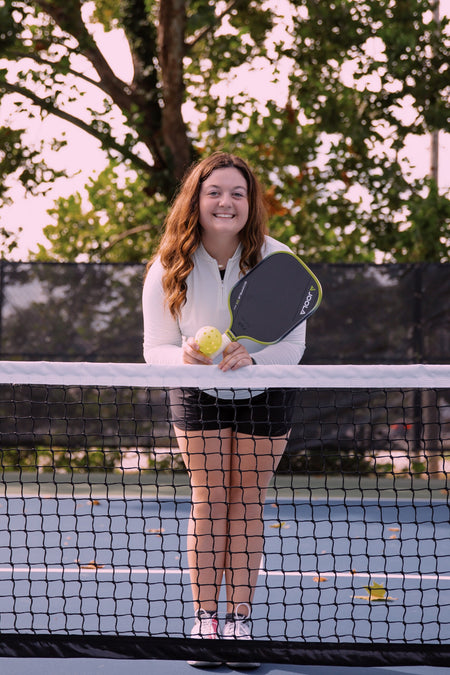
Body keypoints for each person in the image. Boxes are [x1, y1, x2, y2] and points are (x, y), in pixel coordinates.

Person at [142, 152, 306, 669]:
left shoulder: (278, 259)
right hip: (197, 392)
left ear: (251, 203)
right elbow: (156, 347)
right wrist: (185, 358)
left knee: (247, 501)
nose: (226, 202)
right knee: (210, 499)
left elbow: (292, 344)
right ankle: (205, 619)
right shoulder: (169, 263)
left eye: (238, 193)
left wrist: (251, 355)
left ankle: (238, 621)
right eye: (215, 191)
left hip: (266, 391)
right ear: (197, 198)